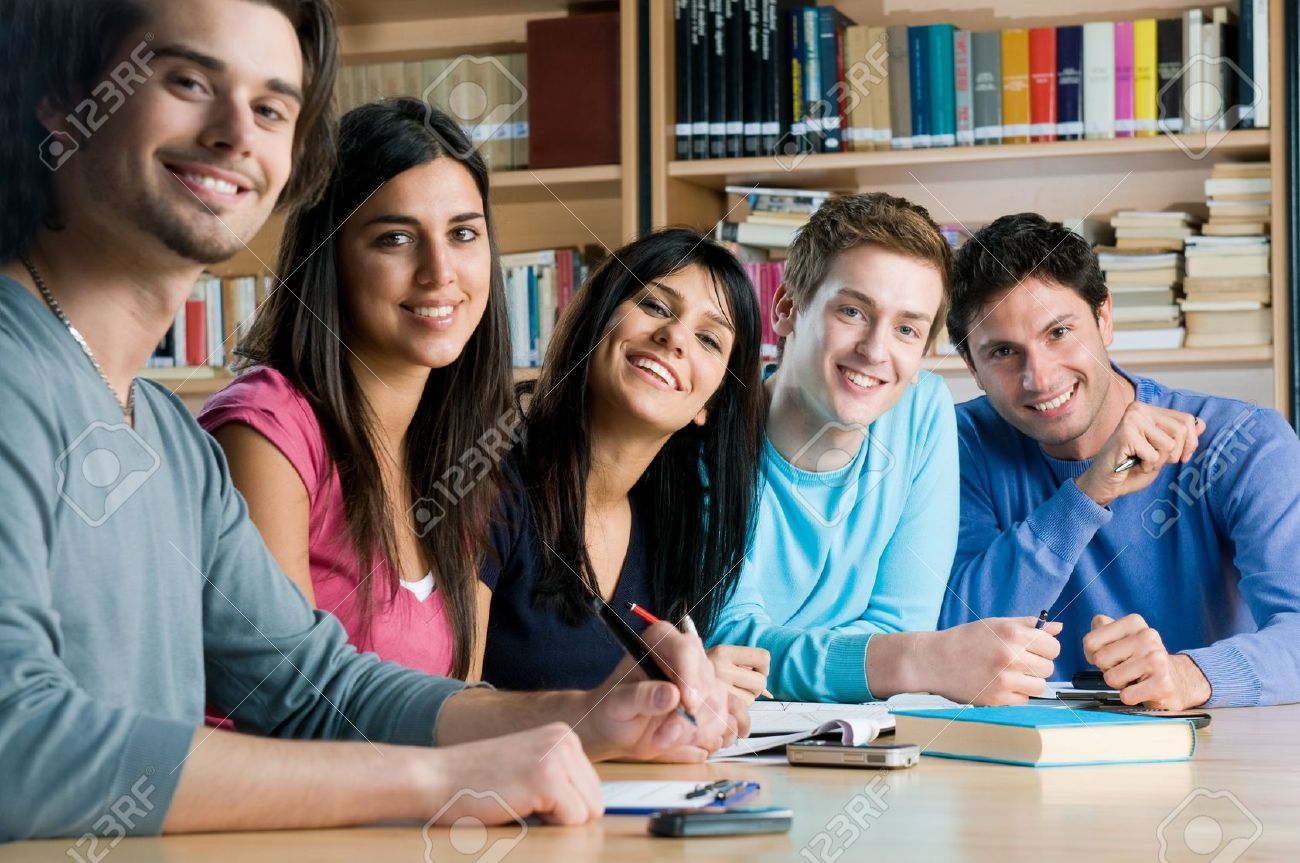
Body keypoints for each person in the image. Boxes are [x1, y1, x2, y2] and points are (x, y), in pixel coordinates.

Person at [0, 0, 731, 841]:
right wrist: (440, 776)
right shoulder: (19, 375)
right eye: (189, 80)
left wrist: (592, 713)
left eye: (273, 107)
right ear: (62, 98)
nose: (238, 133)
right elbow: (17, 743)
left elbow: (316, 688)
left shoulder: (166, 438)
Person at [198, 99, 510, 682]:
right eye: (395, 238)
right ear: (330, 259)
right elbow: (294, 700)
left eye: (463, 233)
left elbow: (454, 705)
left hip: (411, 774)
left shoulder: (456, 452)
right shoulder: (265, 430)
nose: (439, 272)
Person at [708, 192, 1062, 705]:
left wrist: (890, 657)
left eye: (906, 329)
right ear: (786, 308)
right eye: (852, 311)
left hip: (861, 731)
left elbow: (900, 622)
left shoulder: (921, 412)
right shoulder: (709, 427)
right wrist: (919, 661)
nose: (875, 351)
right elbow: (733, 646)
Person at [940, 212, 1300, 709]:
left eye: (1059, 332)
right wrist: (1089, 494)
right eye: (1003, 351)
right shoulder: (957, 446)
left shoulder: (1245, 442)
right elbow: (957, 638)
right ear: (971, 367)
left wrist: (1188, 675)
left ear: (1104, 317)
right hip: (1017, 757)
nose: (1039, 378)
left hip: (1208, 752)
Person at [480, 227, 771, 719]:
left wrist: (682, 692)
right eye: (656, 306)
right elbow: (441, 707)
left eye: (707, 339)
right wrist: (629, 700)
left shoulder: (673, 529)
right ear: (598, 319)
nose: (675, 337)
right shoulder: (489, 480)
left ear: (709, 404)